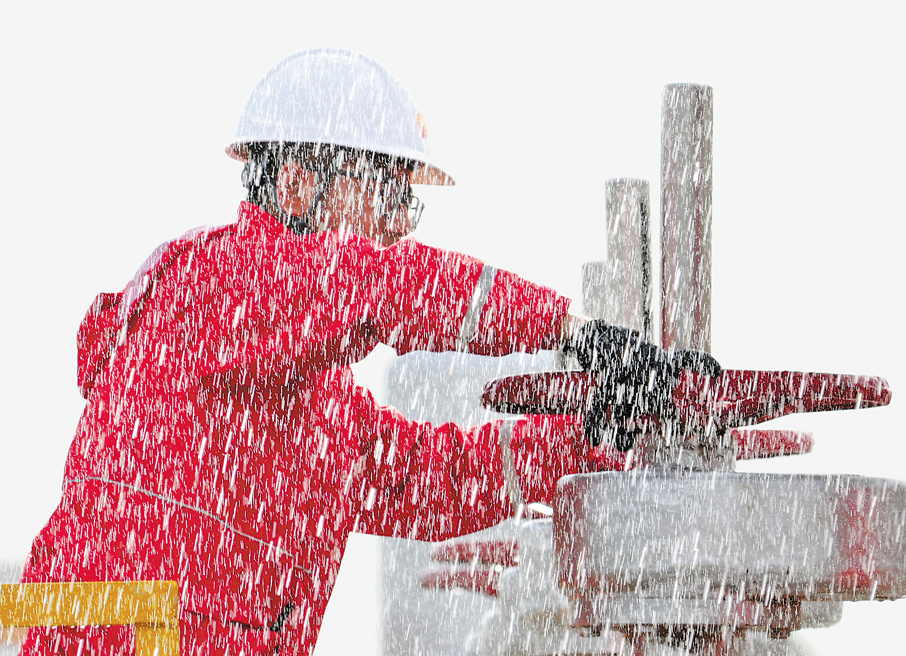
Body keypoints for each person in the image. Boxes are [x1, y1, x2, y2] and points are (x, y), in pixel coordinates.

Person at [19, 49, 716, 656]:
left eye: (406, 209)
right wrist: (576, 334)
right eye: (385, 193)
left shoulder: (313, 402)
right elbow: (389, 286)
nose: (393, 226)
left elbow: (426, 479)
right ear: (295, 182)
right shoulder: (218, 286)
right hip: (116, 637)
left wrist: (584, 439)